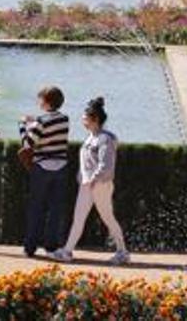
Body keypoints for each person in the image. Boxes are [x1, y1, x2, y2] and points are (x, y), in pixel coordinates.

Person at [52, 98, 130, 265]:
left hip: (100, 185)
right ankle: (67, 251)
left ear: (94, 119)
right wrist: (82, 177)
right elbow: (87, 163)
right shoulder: (91, 137)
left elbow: (106, 165)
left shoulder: (105, 139)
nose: (82, 120)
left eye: (85, 117)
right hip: (87, 185)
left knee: (107, 217)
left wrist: (93, 180)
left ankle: (122, 251)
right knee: (78, 217)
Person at [20, 86, 71, 258]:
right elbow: (52, 125)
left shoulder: (41, 121)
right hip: (61, 167)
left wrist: (23, 126)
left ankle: (30, 246)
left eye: (40, 99)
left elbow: (28, 144)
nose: (38, 102)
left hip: (42, 167)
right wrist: (35, 121)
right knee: (55, 208)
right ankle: (51, 246)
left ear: (46, 102)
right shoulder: (65, 119)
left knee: (36, 207)